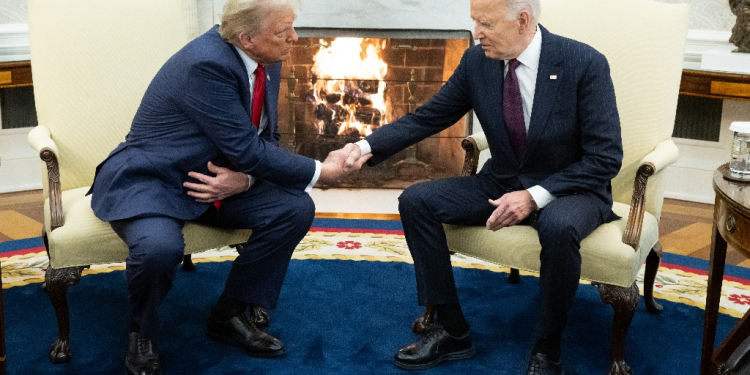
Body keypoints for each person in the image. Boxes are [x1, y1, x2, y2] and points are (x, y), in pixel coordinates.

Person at [342, 0, 623, 373]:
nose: (477, 32)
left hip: (572, 188)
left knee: (558, 226)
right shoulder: (478, 62)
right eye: (474, 21)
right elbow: (429, 116)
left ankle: (547, 348)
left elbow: (605, 158)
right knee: (416, 201)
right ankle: (452, 330)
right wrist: (364, 147)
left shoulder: (583, 63)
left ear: (523, 21)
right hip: (502, 179)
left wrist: (534, 196)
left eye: (485, 23)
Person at [88, 0, 367, 374]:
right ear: (246, 37)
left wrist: (246, 179)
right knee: (158, 248)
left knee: (294, 209)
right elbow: (247, 148)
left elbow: (267, 136)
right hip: (157, 180)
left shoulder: (265, 56)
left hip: (218, 178)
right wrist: (322, 171)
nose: (294, 38)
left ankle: (230, 313)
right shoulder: (207, 64)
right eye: (283, 31)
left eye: (292, 26)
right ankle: (143, 331)